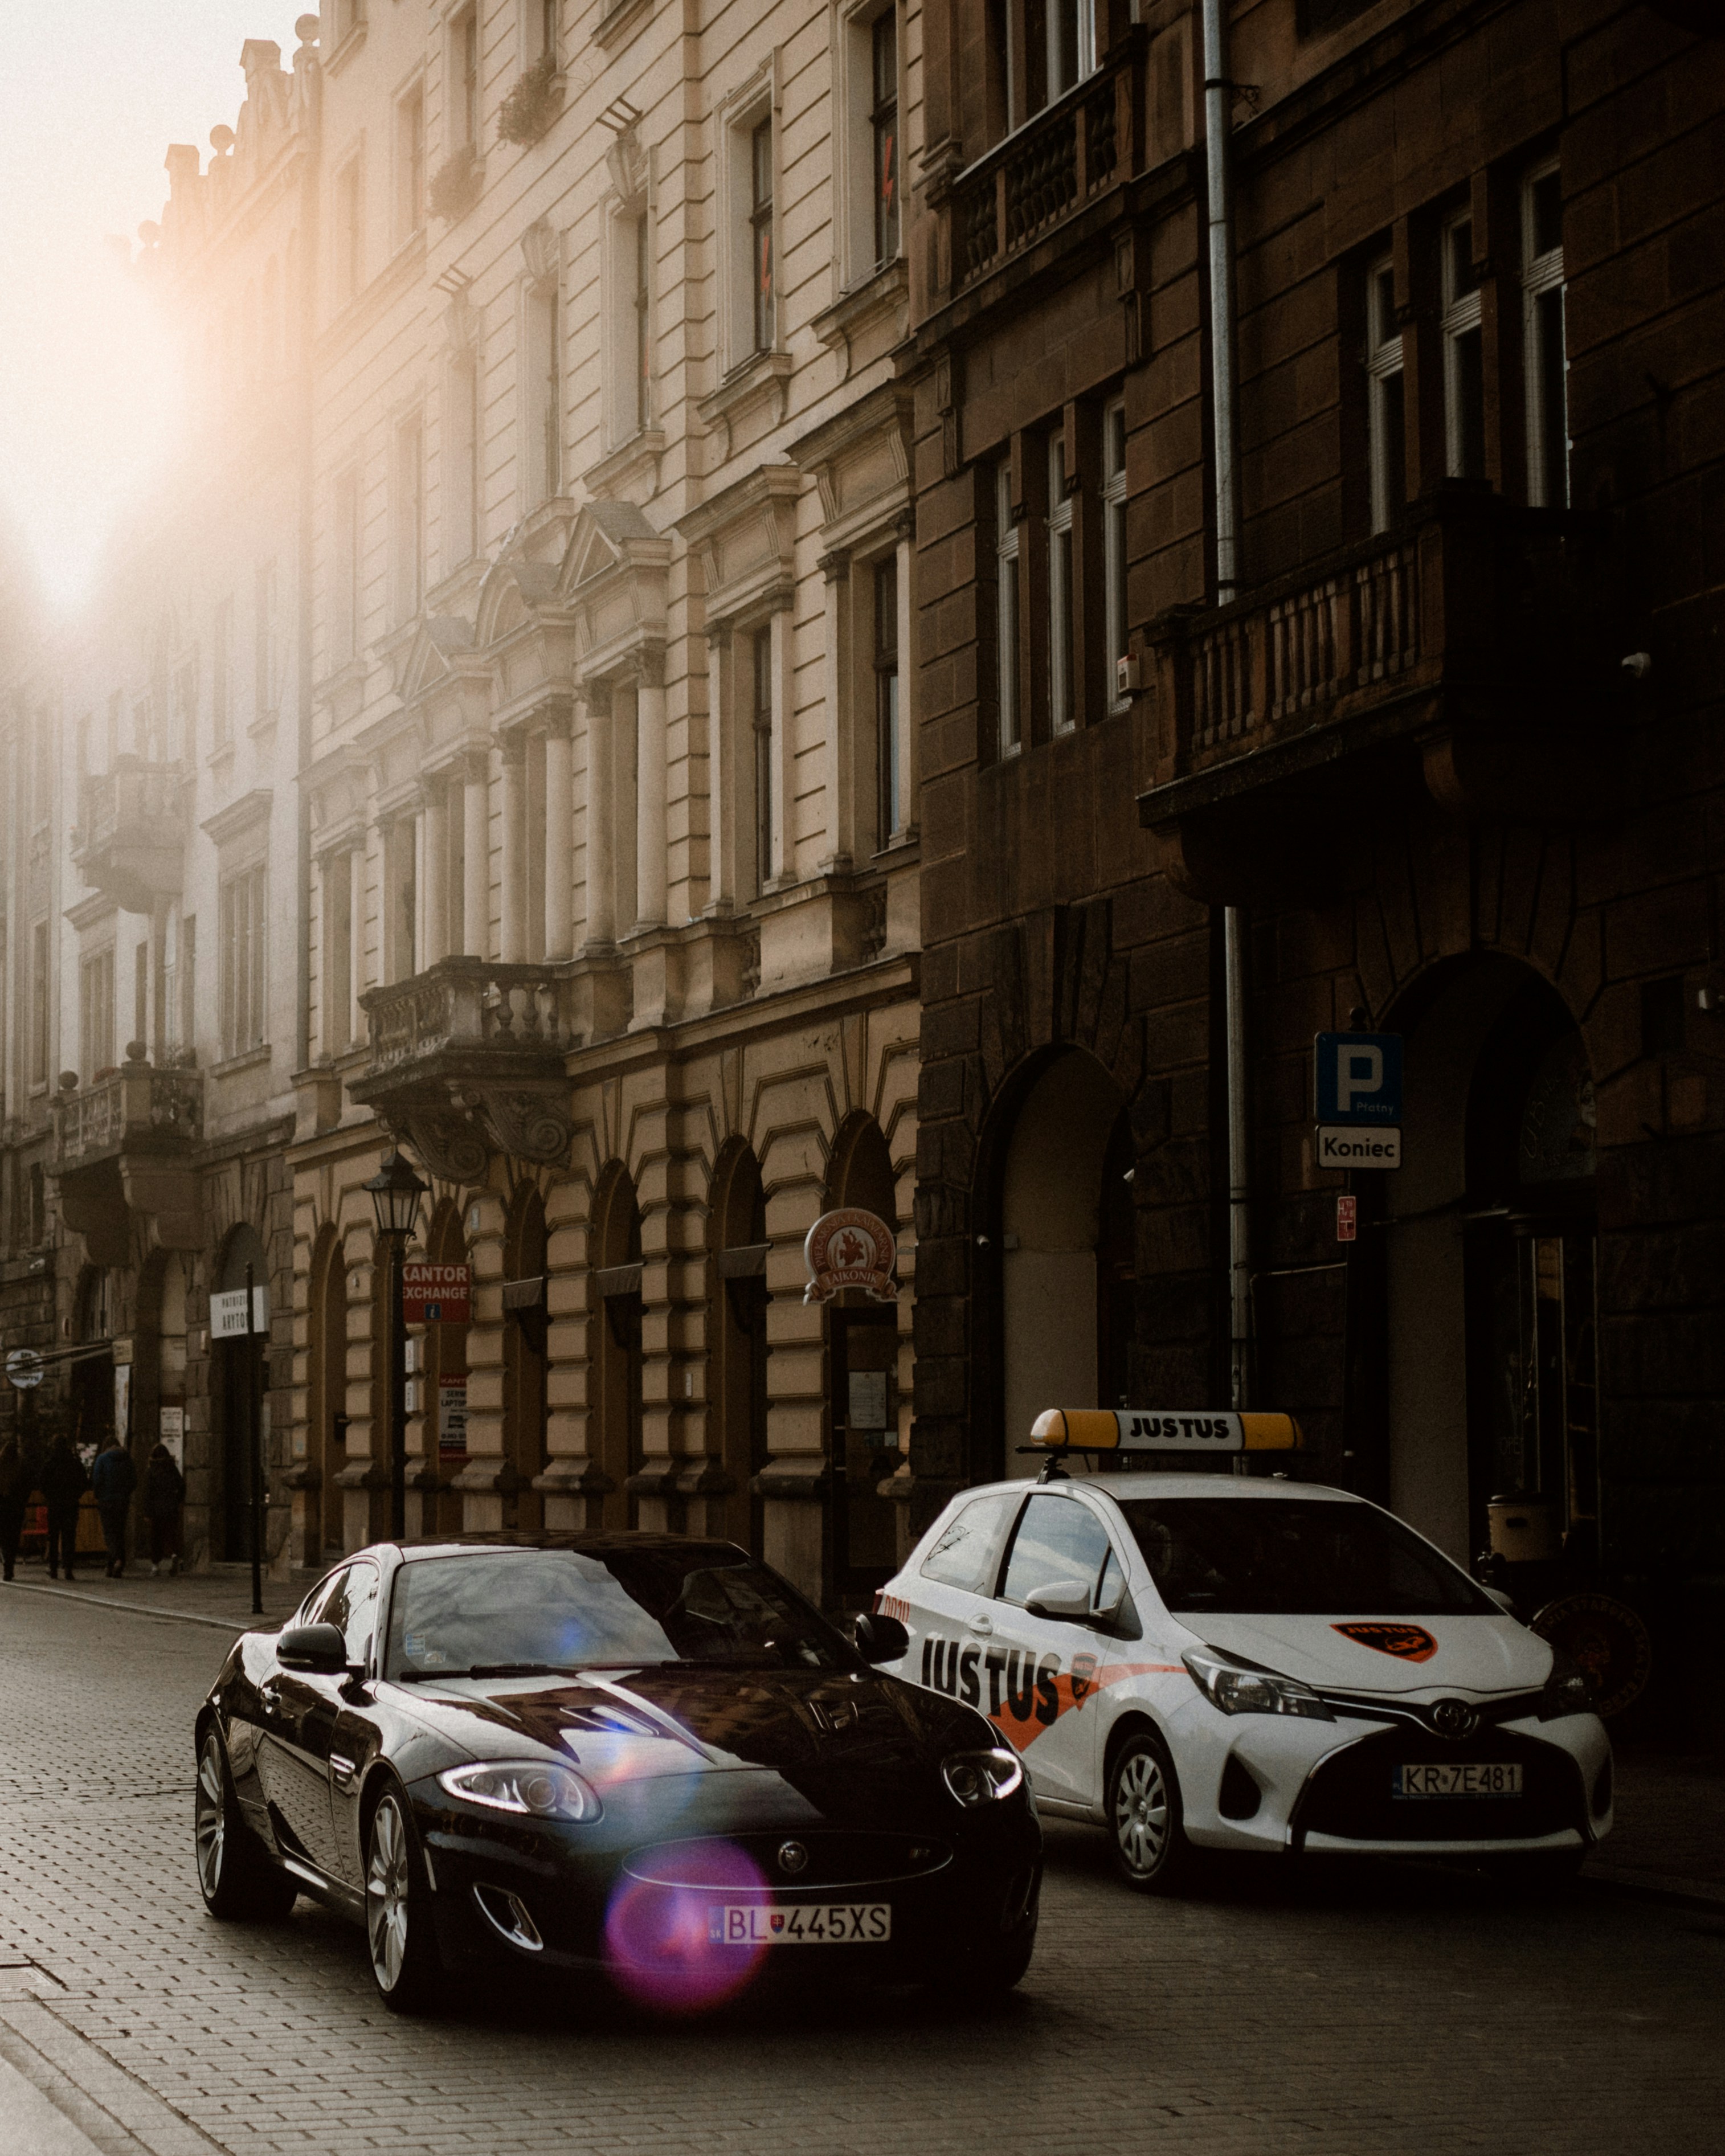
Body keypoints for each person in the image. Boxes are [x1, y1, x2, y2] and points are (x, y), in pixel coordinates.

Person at [41, 1435, 86, 1581]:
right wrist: (75, 1496)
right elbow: (83, 1483)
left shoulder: (50, 1463)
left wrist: (50, 1496)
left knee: (53, 1538)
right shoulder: (74, 1463)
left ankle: (53, 1569)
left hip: (55, 1504)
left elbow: (43, 1484)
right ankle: (68, 1568)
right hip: (71, 1504)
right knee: (69, 1537)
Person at [91, 1438, 138, 1579]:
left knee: (109, 1533)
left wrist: (99, 1495)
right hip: (122, 1501)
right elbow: (133, 1481)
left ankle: (117, 1560)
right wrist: (125, 1494)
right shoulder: (127, 1459)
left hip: (107, 1501)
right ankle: (112, 1566)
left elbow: (97, 1479)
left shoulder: (102, 1459)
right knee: (119, 1532)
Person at [142, 1441, 185, 1576]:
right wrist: (178, 1500)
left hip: (156, 1510)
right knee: (170, 1534)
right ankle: (173, 1555)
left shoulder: (151, 1471)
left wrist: (147, 1512)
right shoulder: (172, 1469)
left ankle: (155, 1566)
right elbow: (182, 1486)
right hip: (171, 1507)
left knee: (155, 1537)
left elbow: (147, 1493)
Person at [0, 1438, 26, 1582]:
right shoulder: (20, 1468)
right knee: (13, 1538)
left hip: (2, 1508)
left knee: (4, 1539)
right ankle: (10, 1565)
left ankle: (6, 1567)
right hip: (16, 1509)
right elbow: (25, 1489)